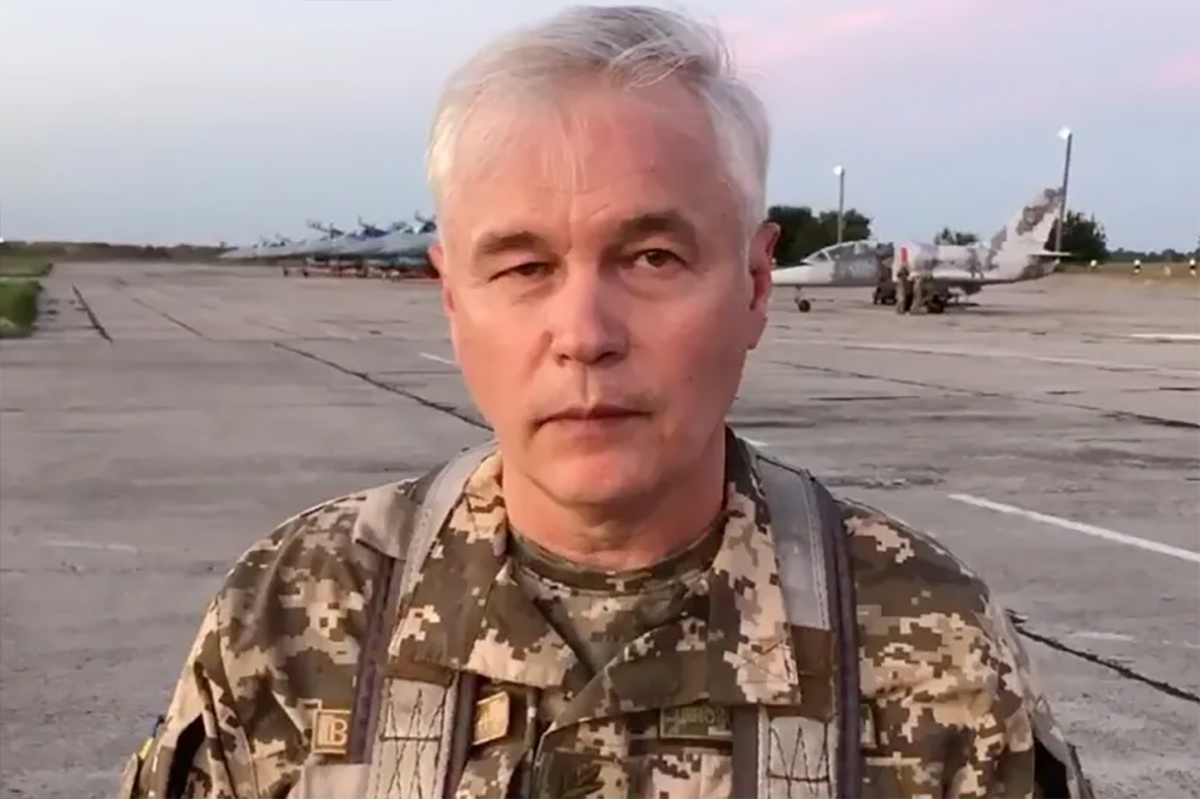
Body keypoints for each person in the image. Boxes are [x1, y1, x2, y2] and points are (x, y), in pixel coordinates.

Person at [117, 5, 1094, 798]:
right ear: (453, 299)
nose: (584, 333)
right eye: (524, 266)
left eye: (653, 257)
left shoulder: (928, 638)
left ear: (756, 285)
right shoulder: (295, 611)